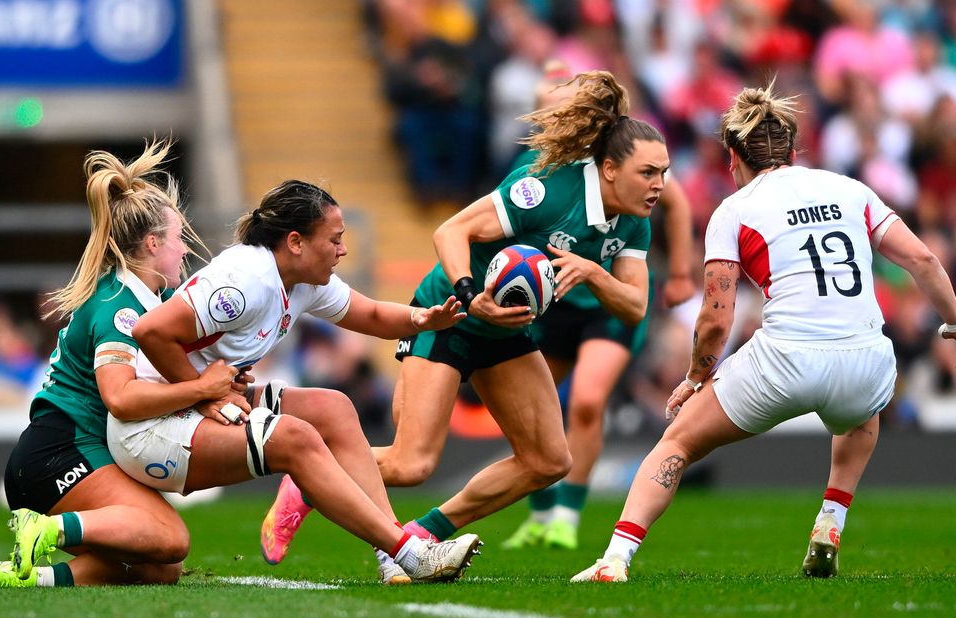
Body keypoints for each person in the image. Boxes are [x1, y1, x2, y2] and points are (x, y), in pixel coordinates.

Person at [264, 70, 668, 551]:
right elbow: (451, 231)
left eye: (664, 173)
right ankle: (306, 481)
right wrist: (471, 293)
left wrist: (594, 273)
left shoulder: (634, 222)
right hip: (450, 313)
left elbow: (634, 307)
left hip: (506, 332)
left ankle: (424, 533)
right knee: (411, 464)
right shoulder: (548, 189)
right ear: (610, 169)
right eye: (648, 172)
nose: (659, 185)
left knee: (548, 461)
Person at [571, 82, 956, 583]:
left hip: (785, 361)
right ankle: (831, 520)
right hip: (867, 360)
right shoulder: (850, 189)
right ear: (793, 152)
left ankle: (615, 558)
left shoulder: (735, 209)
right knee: (862, 416)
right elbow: (922, 259)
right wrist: (953, 319)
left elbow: (716, 318)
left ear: (734, 157)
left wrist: (694, 378)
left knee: (676, 444)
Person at [105, 179, 481, 584]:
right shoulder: (245, 281)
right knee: (295, 437)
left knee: (333, 408)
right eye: (334, 239)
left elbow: (371, 315)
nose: (343, 249)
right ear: (296, 242)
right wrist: (203, 395)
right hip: (151, 427)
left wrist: (420, 318)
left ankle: (392, 555)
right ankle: (410, 553)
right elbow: (150, 332)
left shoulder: (302, 281)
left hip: (193, 404)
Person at [0, 139, 239, 588]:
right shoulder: (121, 308)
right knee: (170, 537)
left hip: (65, 451)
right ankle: (47, 529)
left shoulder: (155, 298)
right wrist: (202, 389)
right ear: (152, 243)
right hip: (58, 454)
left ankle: (30, 579)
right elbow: (120, 398)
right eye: (179, 238)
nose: (185, 249)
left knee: (160, 567)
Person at [501, 62, 696, 551]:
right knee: (531, 410)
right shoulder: (535, 170)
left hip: (610, 301)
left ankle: (567, 514)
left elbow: (677, 204)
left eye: (563, 106)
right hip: (552, 302)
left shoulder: (627, 164)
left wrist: (678, 274)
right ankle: (540, 513)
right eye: (549, 108)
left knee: (587, 401)